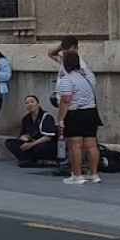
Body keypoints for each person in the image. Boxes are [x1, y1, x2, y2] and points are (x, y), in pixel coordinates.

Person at [57, 52, 102, 185]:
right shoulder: (89, 75)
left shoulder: (67, 79)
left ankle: (77, 175)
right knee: (91, 145)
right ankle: (93, 174)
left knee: (75, 146)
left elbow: (66, 100)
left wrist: (60, 118)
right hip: (91, 112)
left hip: (75, 113)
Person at [49, 36, 89, 176]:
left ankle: (77, 166)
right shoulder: (64, 62)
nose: (67, 53)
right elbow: (50, 54)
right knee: (67, 138)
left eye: (69, 50)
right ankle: (69, 164)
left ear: (77, 49)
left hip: (73, 105)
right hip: (66, 104)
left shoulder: (79, 65)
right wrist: (61, 47)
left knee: (74, 139)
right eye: (65, 51)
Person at [5, 95, 59, 167]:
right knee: (10, 143)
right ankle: (29, 159)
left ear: (38, 104)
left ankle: (28, 159)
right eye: (27, 103)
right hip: (31, 142)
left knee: (39, 148)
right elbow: (23, 134)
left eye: (32, 102)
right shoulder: (26, 118)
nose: (29, 104)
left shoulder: (47, 117)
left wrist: (31, 144)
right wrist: (24, 138)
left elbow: (48, 137)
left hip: (44, 143)